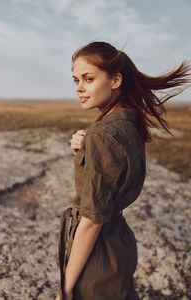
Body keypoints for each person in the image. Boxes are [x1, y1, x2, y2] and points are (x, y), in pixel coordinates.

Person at [56, 41, 191, 300]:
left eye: (89, 79)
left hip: (97, 256)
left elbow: (93, 221)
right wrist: (84, 153)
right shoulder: (130, 122)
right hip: (119, 245)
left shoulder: (103, 134)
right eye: (76, 80)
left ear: (115, 80)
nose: (79, 89)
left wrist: (66, 287)